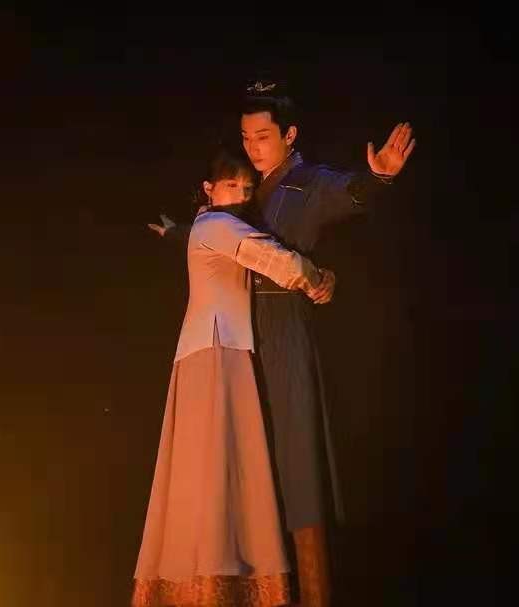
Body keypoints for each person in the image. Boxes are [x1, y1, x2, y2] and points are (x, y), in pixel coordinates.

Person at [150, 81, 415, 607]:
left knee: (298, 473)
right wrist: (177, 232)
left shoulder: (306, 182)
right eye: (246, 137)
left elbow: (347, 193)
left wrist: (378, 177)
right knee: (247, 474)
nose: (253, 147)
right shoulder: (248, 193)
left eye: (263, 136)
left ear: (290, 135)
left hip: (283, 331)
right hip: (240, 339)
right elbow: (220, 235)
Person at [132, 146, 333, 607]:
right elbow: (271, 257)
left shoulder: (207, 225)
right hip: (217, 353)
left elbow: (200, 235)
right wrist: (316, 279)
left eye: (246, 188)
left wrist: (171, 232)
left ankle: (204, 584)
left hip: (206, 353)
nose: (242, 195)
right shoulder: (220, 225)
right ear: (209, 189)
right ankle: (215, 581)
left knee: (208, 467)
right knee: (220, 464)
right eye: (231, 186)